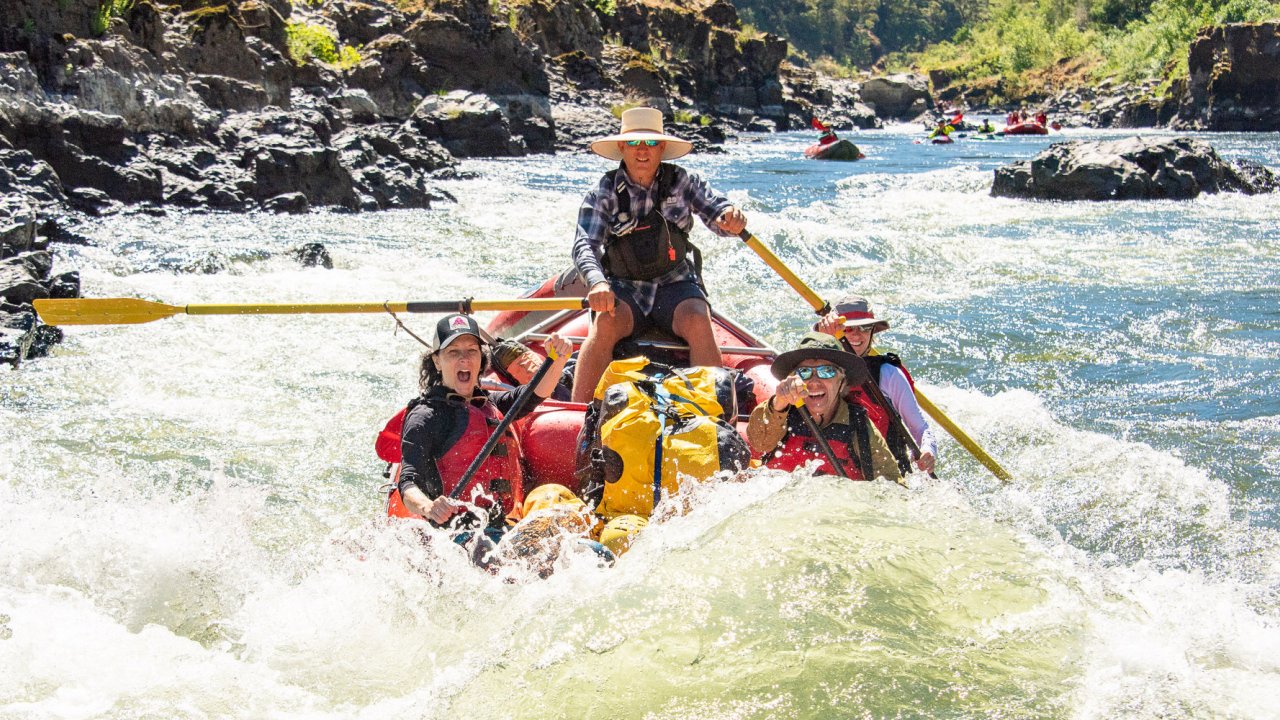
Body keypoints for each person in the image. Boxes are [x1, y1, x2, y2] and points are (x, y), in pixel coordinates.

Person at [569, 106, 747, 403]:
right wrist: (597, 282)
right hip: (625, 287)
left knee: (697, 319)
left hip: (674, 284)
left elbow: (719, 213)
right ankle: (577, 413)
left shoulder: (683, 182)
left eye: (650, 143)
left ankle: (716, 416)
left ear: (662, 147)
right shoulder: (603, 190)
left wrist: (730, 217)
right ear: (622, 147)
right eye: (635, 144)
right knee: (606, 322)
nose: (643, 151)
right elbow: (585, 244)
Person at [398, 313, 573, 536]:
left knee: (597, 551)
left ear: (481, 359)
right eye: (453, 352)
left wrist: (558, 358)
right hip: (456, 534)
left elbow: (536, 392)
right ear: (436, 361)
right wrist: (429, 507)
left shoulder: (491, 403)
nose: (464, 359)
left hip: (500, 527)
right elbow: (408, 481)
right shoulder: (426, 416)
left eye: (472, 351)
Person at [747, 332, 902, 483]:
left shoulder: (859, 426)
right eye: (805, 372)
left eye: (826, 371)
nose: (814, 382)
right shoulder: (781, 411)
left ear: (842, 382)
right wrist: (779, 403)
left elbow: (890, 482)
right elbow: (759, 443)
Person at [815, 296, 938, 474]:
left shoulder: (888, 374)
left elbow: (921, 428)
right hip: (834, 474)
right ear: (835, 331)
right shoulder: (816, 371)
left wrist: (928, 450)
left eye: (864, 327)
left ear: (872, 331)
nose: (857, 334)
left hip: (884, 475)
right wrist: (822, 339)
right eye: (848, 328)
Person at [491, 338, 573, 401]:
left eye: (529, 360)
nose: (528, 366)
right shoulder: (527, 401)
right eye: (520, 367)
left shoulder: (570, 370)